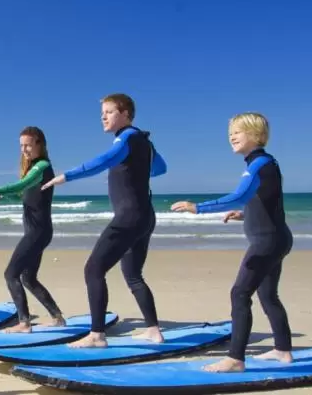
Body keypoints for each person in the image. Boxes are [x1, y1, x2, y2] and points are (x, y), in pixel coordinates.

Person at [40, 93, 167, 348]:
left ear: (126, 114)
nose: (103, 117)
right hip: (145, 216)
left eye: (109, 112)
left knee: (93, 269)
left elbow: (101, 162)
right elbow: (160, 168)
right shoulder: (142, 140)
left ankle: (97, 334)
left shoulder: (126, 138)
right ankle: (154, 330)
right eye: (103, 113)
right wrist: (141, 161)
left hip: (129, 217)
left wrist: (66, 176)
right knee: (133, 275)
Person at [170, 112, 293, 373]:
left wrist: (198, 207)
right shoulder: (264, 163)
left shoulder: (259, 164)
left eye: (238, 132)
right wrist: (245, 215)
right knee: (268, 295)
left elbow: (239, 195)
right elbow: (267, 203)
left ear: (256, 135)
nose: (232, 137)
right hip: (276, 238)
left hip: (267, 242)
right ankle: (283, 351)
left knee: (240, 293)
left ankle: (235, 358)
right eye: (230, 133)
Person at [0, 126, 65, 333]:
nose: (24, 149)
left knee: (10, 274)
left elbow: (22, 184)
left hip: (37, 232)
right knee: (28, 278)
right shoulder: (35, 169)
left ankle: (24, 323)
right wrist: (4, 196)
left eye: (28, 145)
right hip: (39, 231)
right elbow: (25, 195)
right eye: (21, 146)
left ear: (40, 143)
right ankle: (57, 317)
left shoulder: (42, 166)